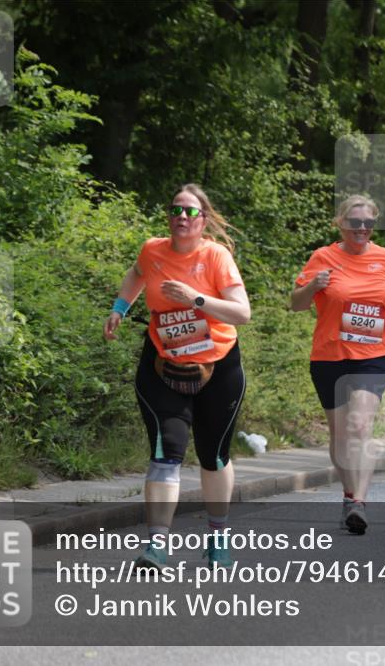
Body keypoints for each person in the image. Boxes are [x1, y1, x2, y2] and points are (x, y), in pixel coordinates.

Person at [104, 183, 251, 568]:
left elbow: (242, 313)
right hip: (162, 363)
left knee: (212, 455)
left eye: (190, 212)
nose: (181, 217)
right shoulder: (153, 250)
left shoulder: (216, 256)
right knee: (166, 451)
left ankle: (218, 539)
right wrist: (120, 308)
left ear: (203, 220)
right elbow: (136, 274)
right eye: (175, 210)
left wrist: (195, 299)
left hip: (218, 366)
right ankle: (156, 545)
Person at [291, 195, 385, 534]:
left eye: (368, 223)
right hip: (330, 356)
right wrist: (313, 285)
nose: (362, 229)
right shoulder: (323, 257)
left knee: (359, 426)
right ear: (341, 224)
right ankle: (348, 493)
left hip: (373, 355)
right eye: (355, 223)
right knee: (340, 434)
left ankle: (359, 502)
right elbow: (296, 304)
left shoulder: (384, 256)